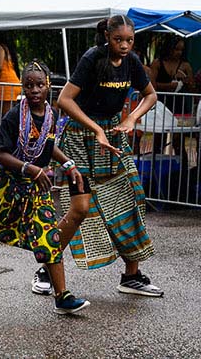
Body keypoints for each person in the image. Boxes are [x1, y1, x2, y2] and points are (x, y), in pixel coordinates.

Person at [0, 60, 90, 315]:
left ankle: (62, 296)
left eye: (39, 85)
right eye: (29, 86)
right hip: (7, 185)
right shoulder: (15, 115)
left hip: (36, 187)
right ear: (23, 88)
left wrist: (68, 164)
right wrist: (30, 168)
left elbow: (47, 144)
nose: (34, 90)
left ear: (48, 86)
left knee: (50, 236)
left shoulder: (51, 115)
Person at [55, 15, 163, 297]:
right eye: (118, 40)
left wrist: (131, 119)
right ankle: (47, 269)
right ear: (107, 37)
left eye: (129, 40)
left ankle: (131, 276)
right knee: (80, 209)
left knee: (132, 198)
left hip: (113, 135)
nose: (124, 46)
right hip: (80, 137)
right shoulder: (92, 58)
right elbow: (64, 99)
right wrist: (95, 130)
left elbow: (150, 95)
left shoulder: (132, 61)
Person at [149, 35, 194, 114]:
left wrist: (186, 81)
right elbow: (152, 85)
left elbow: (192, 88)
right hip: (160, 103)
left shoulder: (185, 66)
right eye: (176, 49)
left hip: (179, 104)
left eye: (181, 50)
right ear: (169, 48)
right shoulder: (157, 63)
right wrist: (170, 86)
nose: (179, 53)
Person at [0, 34, 21, 123]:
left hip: (6, 83)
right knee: (3, 114)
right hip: (6, 83)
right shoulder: (5, 47)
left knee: (5, 116)